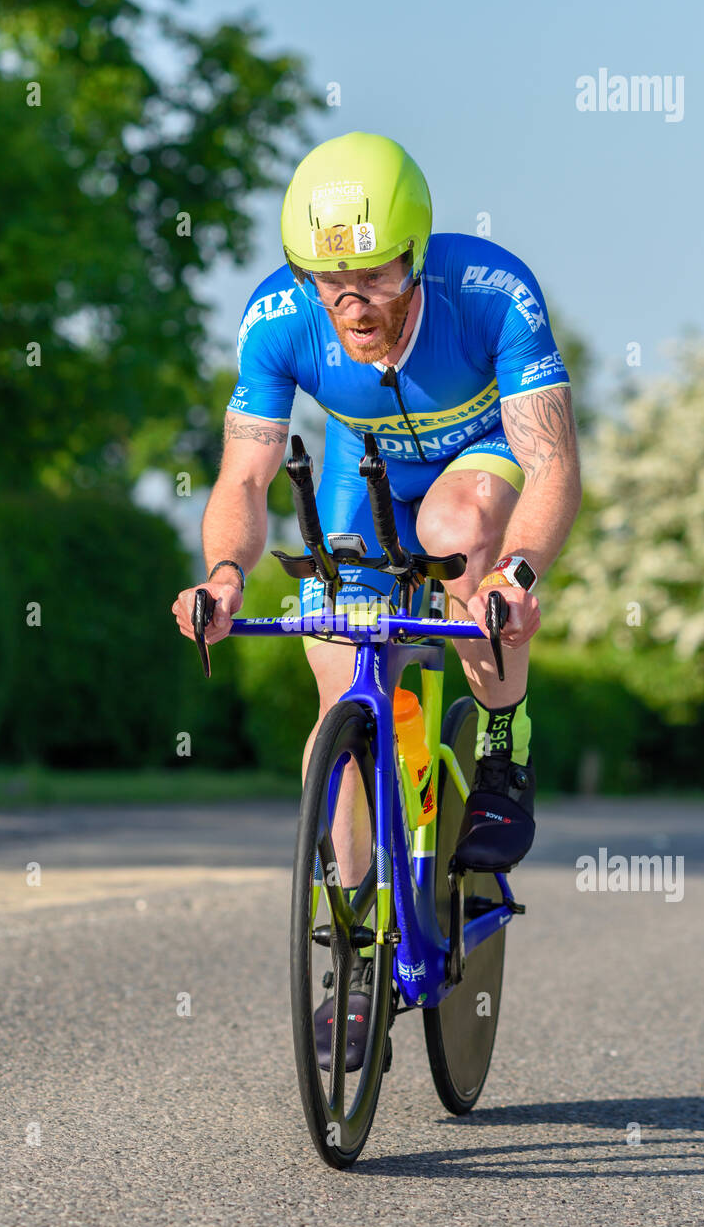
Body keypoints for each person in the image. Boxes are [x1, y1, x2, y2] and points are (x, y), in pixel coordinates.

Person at [172, 132, 581, 1068]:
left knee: (460, 530)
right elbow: (243, 478)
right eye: (328, 277)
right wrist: (226, 577)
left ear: (417, 253)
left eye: (374, 276)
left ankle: (504, 741)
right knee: (339, 683)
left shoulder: (492, 294)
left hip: (479, 462)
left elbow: (554, 464)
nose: (351, 302)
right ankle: (351, 955)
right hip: (369, 477)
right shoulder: (278, 317)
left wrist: (516, 577)